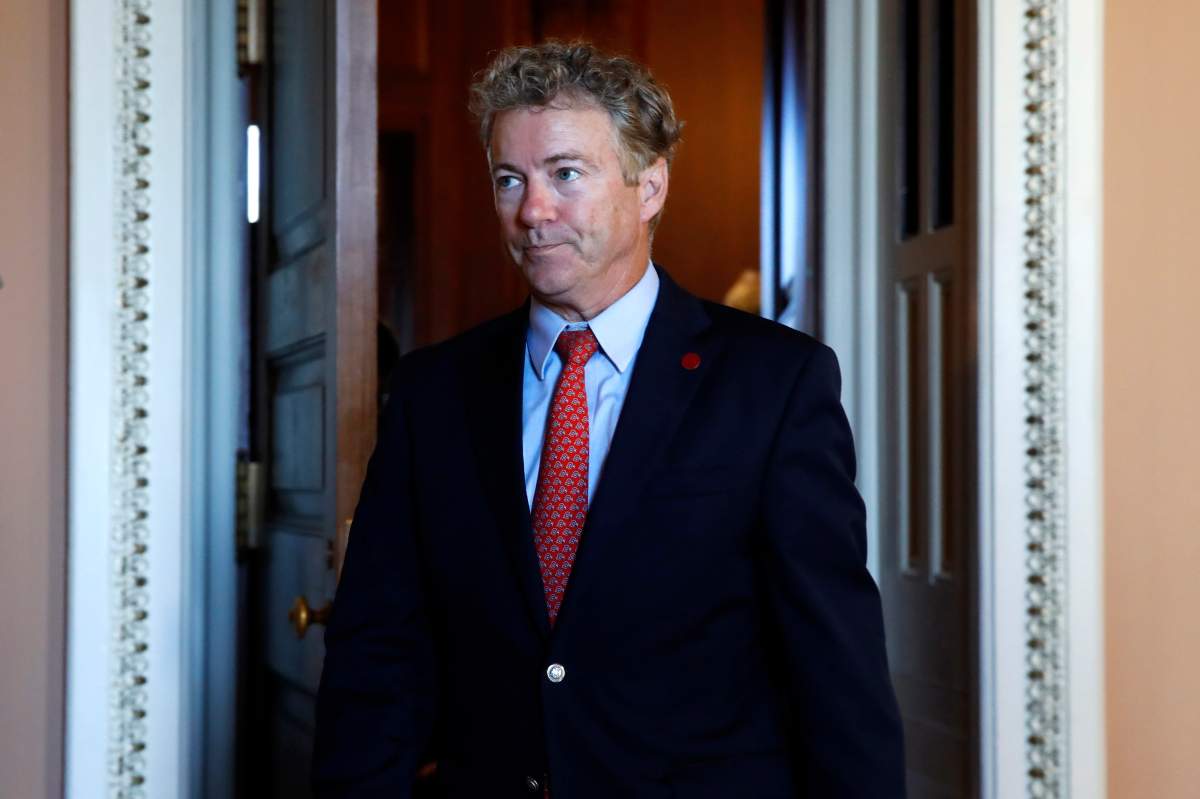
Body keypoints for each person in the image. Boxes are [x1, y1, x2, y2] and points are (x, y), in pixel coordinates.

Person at [313, 41, 905, 798]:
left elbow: (835, 663)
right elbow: (377, 655)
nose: (532, 209)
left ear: (649, 184)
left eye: (565, 173)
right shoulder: (433, 393)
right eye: (509, 179)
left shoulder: (773, 382)